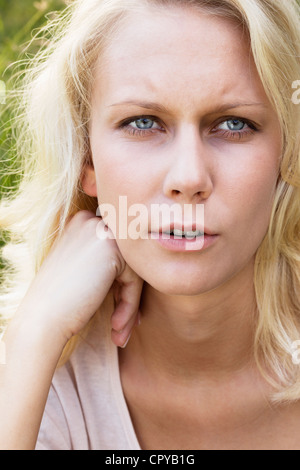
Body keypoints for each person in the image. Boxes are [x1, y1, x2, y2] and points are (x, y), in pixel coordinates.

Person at [0, 0, 300, 450]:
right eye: (143, 123)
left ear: (288, 154)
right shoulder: (39, 376)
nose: (188, 178)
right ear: (87, 159)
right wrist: (32, 336)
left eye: (233, 124)